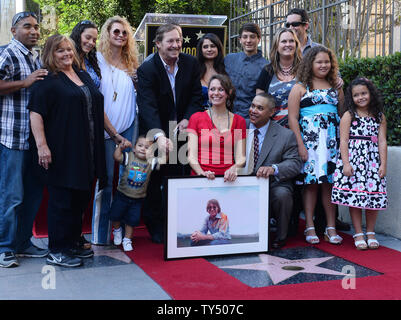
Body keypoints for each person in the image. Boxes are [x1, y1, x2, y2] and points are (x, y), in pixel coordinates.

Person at [28, 34, 107, 267]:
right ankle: (57, 250)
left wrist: (114, 134)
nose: (66, 54)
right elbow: (36, 114)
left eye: (69, 50)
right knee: (62, 201)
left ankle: (72, 242)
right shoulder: (47, 80)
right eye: (60, 51)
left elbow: (97, 107)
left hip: (87, 150)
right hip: (61, 150)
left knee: (80, 198)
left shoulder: (83, 75)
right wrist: (42, 146)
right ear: (50, 54)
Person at [137, 23, 203, 243]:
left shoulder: (191, 63)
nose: (176, 45)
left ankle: (178, 223)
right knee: (155, 180)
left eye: (179, 40)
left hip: (182, 130)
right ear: (158, 44)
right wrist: (159, 136)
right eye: (171, 41)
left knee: (179, 178)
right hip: (155, 132)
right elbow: (147, 106)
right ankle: (155, 226)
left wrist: (188, 118)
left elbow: (195, 97)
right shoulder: (147, 69)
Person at [0, 12, 49, 268]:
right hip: (11, 137)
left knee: (32, 194)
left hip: (32, 139)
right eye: (27, 27)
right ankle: (4, 247)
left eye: (36, 27)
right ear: (13, 30)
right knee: (11, 196)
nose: (34, 31)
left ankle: (23, 243)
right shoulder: (7, 53)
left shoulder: (35, 56)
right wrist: (25, 82)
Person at [288, 45, 345, 246]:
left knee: (329, 185)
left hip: (331, 144)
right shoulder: (300, 87)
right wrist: (300, 145)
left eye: (327, 62)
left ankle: (331, 228)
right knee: (310, 186)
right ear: (310, 63)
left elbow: (342, 113)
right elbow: (293, 119)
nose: (323, 65)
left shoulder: (336, 86)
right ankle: (310, 226)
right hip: (310, 144)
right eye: (319, 62)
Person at [91, 16, 138, 245]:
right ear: (107, 34)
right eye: (116, 31)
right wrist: (112, 132)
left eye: (124, 33)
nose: (120, 35)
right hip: (105, 130)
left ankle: (122, 230)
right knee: (106, 179)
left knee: (129, 180)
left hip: (129, 126)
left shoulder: (132, 64)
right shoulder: (96, 61)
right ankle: (101, 234)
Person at [332, 78, 387, 250]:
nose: (361, 97)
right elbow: (343, 141)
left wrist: (383, 164)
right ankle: (358, 233)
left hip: (372, 163)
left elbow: (382, 141)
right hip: (354, 163)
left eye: (364, 93)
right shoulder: (349, 115)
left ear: (371, 93)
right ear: (351, 97)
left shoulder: (379, 116)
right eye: (356, 95)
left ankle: (370, 232)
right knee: (355, 199)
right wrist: (346, 164)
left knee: (373, 199)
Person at [244, 93, 302, 248]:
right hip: (241, 182)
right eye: (252, 106)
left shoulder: (285, 135)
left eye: (260, 108)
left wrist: (274, 169)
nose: (253, 111)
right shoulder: (239, 127)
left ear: (271, 112)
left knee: (282, 194)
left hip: (272, 183)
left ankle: (280, 237)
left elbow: (295, 163)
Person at [187, 74, 246, 181]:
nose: (216, 93)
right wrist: (202, 173)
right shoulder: (196, 118)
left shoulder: (239, 121)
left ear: (229, 93)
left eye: (221, 89)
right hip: (200, 178)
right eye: (212, 89)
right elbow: (191, 156)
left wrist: (234, 168)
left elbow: (240, 158)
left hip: (228, 180)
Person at [109, 135, 162, 251]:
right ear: (134, 148)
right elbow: (116, 157)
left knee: (131, 221)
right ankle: (117, 230)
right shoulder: (129, 157)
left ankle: (127, 239)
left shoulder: (150, 162)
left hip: (137, 199)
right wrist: (120, 147)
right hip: (122, 195)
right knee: (115, 215)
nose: (143, 149)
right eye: (140, 146)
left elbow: (162, 161)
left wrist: (166, 151)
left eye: (147, 147)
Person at [256, 28, 302, 128]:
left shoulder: (304, 69)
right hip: (274, 131)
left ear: (296, 44)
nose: (288, 44)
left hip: (303, 129)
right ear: (276, 46)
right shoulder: (267, 71)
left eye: (291, 41)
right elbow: (259, 104)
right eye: (284, 41)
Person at [224, 22, 268, 119]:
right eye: (245, 37)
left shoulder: (266, 66)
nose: (248, 40)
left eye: (252, 37)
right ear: (240, 39)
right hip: (225, 116)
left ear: (259, 39)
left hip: (249, 120)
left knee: (239, 135)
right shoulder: (229, 60)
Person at [196, 33, 227, 109]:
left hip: (221, 116)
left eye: (212, 46)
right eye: (205, 47)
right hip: (197, 115)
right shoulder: (194, 70)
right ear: (201, 50)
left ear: (218, 48)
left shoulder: (226, 68)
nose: (209, 49)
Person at [70, 20, 101, 88]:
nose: (91, 43)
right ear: (77, 36)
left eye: (94, 40)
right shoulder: (67, 60)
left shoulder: (89, 61)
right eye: (88, 38)